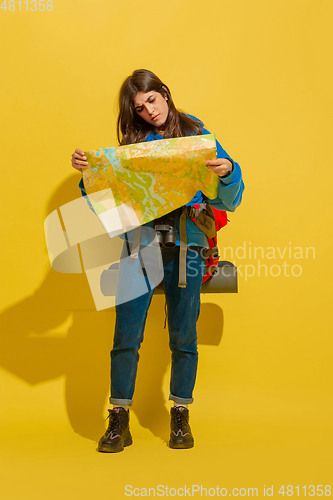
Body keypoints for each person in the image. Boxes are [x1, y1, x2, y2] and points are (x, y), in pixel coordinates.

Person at [71, 69, 244, 452]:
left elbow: (229, 199)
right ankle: (119, 419)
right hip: (140, 247)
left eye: (151, 100)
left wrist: (228, 172)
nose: (148, 111)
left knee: (184, 337)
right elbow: (103, 201)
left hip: (188, 247)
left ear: (164, 93)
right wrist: (88, 175)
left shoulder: (199, 139)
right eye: (139, 107)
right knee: (125, 337)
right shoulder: (131, 147)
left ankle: (180, 414)